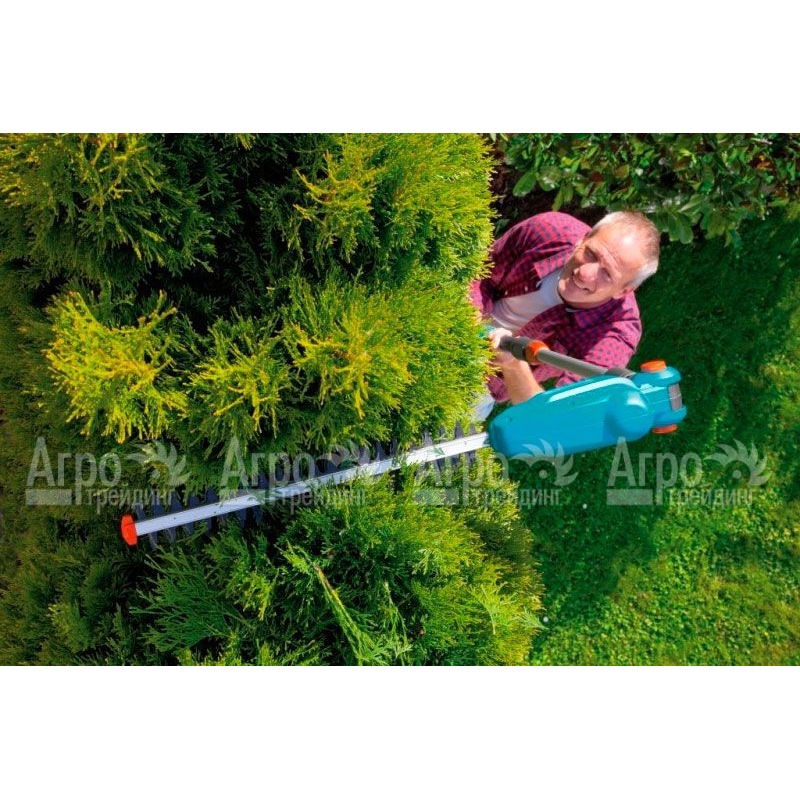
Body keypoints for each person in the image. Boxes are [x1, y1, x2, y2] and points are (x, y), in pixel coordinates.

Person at [470, 210, 660, 415]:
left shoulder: (614, 338)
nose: (585, 273)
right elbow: (480, 270)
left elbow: (554, 415)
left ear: (624, 291)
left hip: (482, 384)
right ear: (583, 239)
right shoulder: (547, 230)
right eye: (591, 254)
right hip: (458, 317)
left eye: (606, 274)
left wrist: (513, 365)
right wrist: (472, 310)